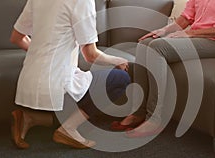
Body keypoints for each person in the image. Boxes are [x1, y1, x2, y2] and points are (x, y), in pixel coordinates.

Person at [111, 0, 215, 137]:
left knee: (157, 48)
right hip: (195, 37)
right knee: (144, 44)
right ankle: (137, 112)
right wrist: (163, 31)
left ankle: (155, 119)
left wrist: (189, 34)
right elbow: (186, 17)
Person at [10, 0, 131, 149]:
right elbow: (90, 55)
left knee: (79, 92)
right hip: (55, 84)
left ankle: (30, 118)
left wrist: (43, 56)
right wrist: (118, 60)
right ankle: (68, 129)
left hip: (27, 82)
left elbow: (16, 37)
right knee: (120, 78)